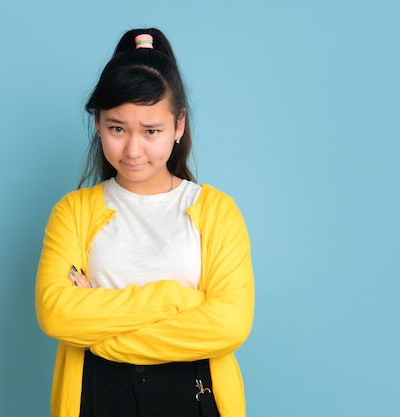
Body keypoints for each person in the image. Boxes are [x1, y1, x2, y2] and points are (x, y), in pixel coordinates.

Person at [35, 28, 254, 417]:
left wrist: (99, 336)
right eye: (116, 128)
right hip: (97, 397)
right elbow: (57, 313)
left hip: (194, 398)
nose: (133, 150)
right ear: (98, 123)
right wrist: (179, 300)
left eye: (151, 131)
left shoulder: (216, 211)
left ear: (179, 126)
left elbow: (230, 324)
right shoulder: (73, 212)